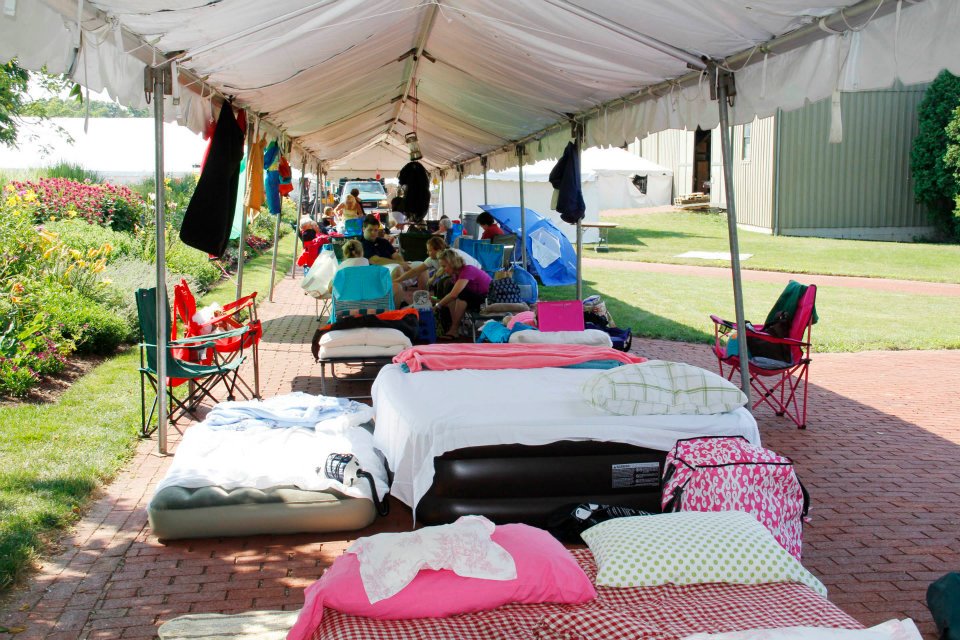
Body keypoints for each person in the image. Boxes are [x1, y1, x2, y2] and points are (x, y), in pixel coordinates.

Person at [434, 248, 491, 341]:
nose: (443, 269)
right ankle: (455, 327)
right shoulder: (457, 275)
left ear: (452, 263)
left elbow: (454, 294)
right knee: (452, 294)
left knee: (461, 294)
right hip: (479, 298)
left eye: (444, 266)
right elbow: (451, 296)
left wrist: (437, 306)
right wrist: (437, 302)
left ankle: (454, 329)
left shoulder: (468, 270)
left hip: (488, 300)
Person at [392, 236, 481, 292]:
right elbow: (415, 271)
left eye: (429, 250)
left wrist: (433, 279)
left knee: (445, 283)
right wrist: (398, 280)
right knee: (443, 283)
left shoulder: (452, 256)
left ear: (438, 249)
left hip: (474, 277)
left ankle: (441, 306)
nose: (427, 252)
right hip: (461, 277)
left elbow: (457, 272)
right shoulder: (433, 258)